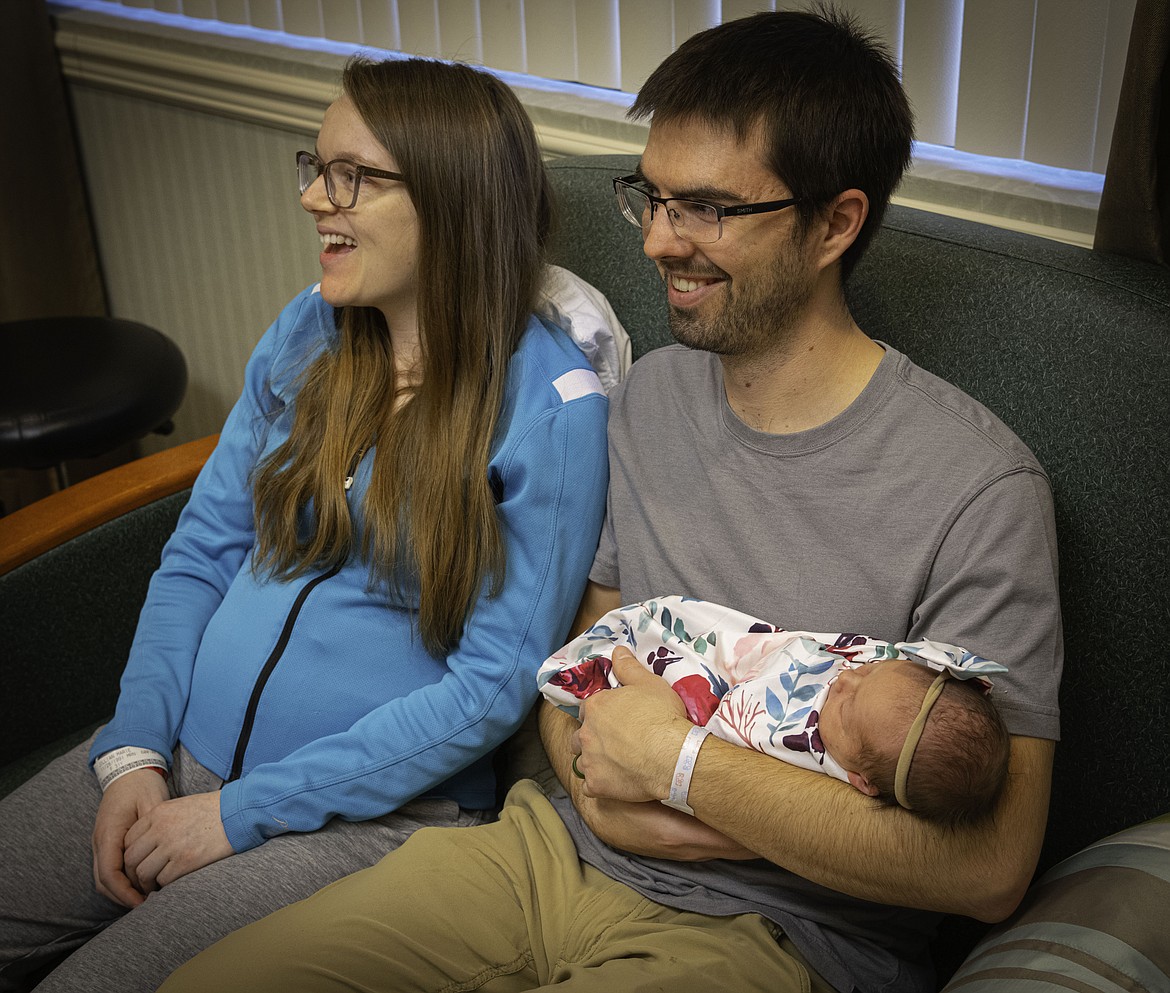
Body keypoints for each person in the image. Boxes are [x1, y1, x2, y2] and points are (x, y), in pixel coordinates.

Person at [161, 8, 1062, 993]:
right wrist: (593, 777)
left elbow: (988, 868)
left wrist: (683, 771)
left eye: (709, 208)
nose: (659, 243)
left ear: (834, 225)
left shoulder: (981, 490)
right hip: (536, 857)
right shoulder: (644, 404)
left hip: (774, 935)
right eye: (652, 197)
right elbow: (575, 657)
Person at [0, 56, 611, 993]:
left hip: (369, 816)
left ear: (449, 198)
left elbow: (489, 690)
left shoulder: (554, 412)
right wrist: (132, 752)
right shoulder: (308, 332)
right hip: (179, 750)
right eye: (316, 167)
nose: (315, 200)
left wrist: (236, 814)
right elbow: (201, 555)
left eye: (351, 177)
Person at [539, 596, 1011, 825]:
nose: (844, 681)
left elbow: (726, 728)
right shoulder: (887, 684)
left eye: (846, 711)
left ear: (862, 781)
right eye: (868, 674)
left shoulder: (805, 751)